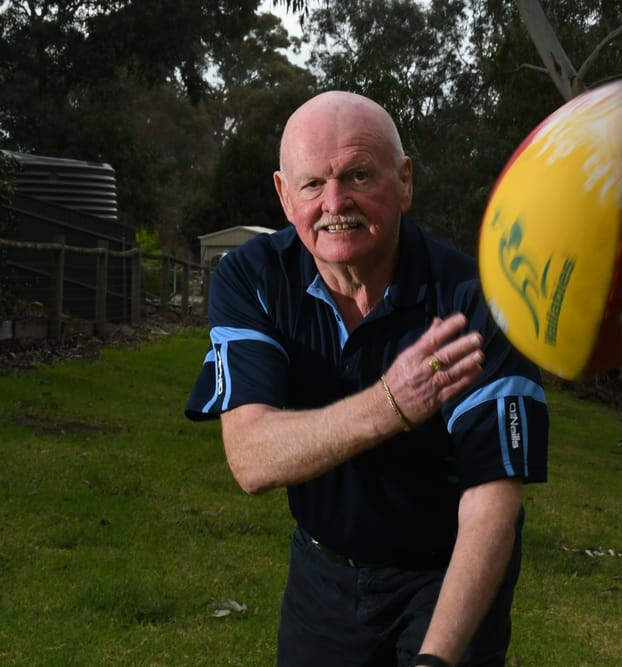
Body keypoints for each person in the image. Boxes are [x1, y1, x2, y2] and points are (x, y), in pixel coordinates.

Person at [185, 91, 549, 667]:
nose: (335, 204)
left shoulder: (477, 298)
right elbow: (252, 459)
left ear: (404, 182)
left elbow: (493, 500)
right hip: (323, 573)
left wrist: (435, 661)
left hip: (447, 570)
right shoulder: (252, 278)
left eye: (358, 175)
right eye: (312, 185)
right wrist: (391, 404)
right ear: (284, 194)